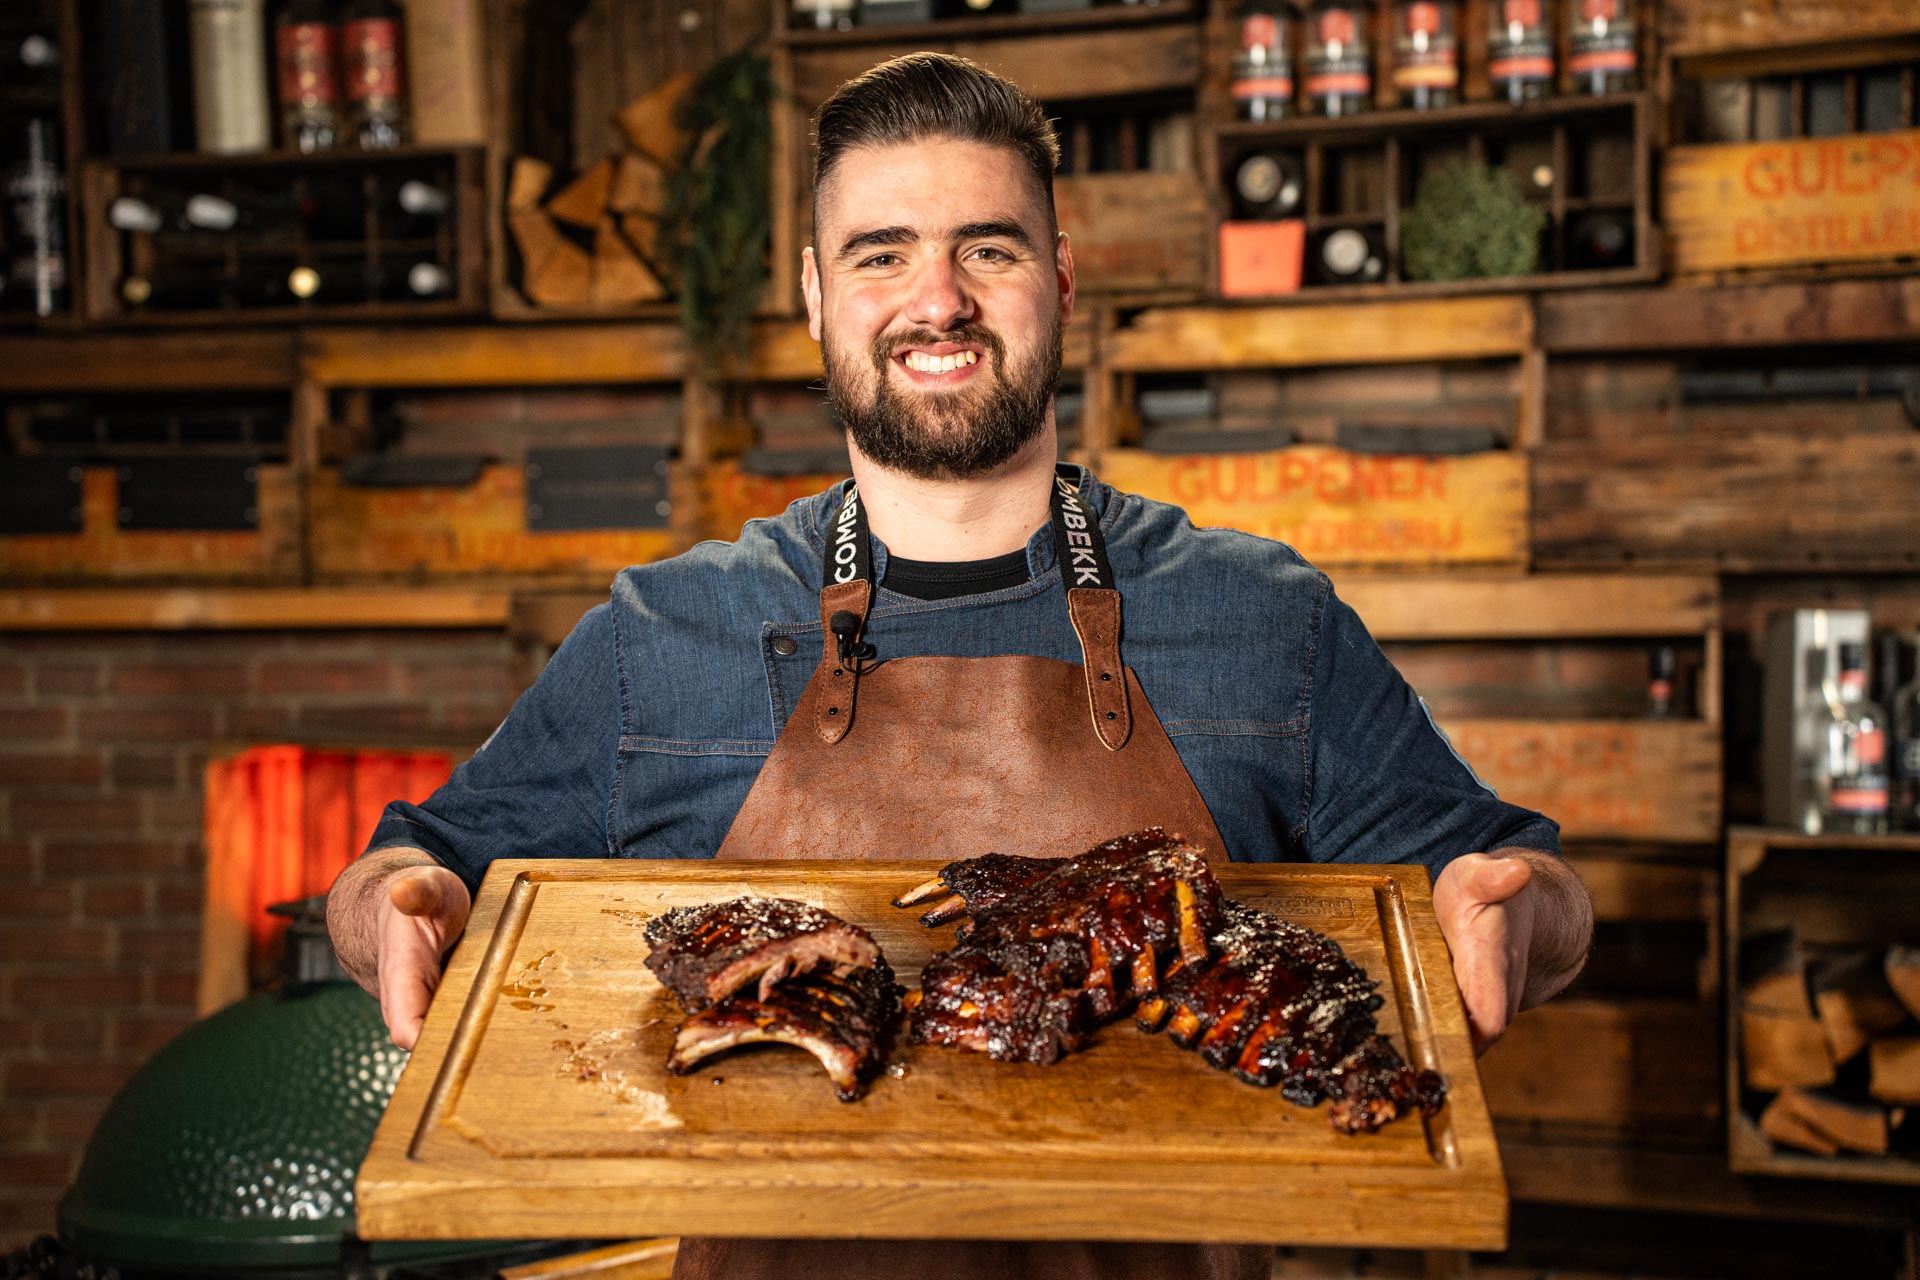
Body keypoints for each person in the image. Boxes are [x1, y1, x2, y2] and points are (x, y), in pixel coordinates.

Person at [328, 51, 1593, 1280]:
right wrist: (391, 901)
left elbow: (1517, 882)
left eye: (987, 248)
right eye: (885, 255)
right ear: (820, 296)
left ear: (1060, 279)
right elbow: (413, 864)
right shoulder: (665, 635)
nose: (938, 300)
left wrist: (1518, 906)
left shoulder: (1261, 618)